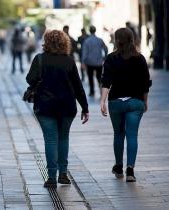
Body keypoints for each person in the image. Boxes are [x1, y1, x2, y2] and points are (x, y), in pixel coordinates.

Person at [25, 30, 89, 188]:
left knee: (50, 139)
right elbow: (78, 85)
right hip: (67, 106)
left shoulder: (39, 59)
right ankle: (63, 174)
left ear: (46, 42)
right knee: (63, 138)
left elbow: (30, 79)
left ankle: (51, 177)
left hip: (45, 106)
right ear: (64, 42)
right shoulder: (69, 60)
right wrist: (85, 107)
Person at [100, 28, 151, 182]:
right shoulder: (140, 58)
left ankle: (118, 166)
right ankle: (130, 170)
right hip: (136, 101)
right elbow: (145, 83)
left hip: (116, 102)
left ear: (117, 40)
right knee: (132, 135)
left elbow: (106, 81)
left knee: (118, 134)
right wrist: (145, 101)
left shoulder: (111, 58)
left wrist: (102, 101)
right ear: (132, 39)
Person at [81, 25, 108, 97]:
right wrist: (104, 57)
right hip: (98, 62)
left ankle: (92, 91)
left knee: (90, 77)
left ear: (89, 31)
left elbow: (84, 52)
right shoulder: (99, 40)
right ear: (95, 30)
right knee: (99, 77)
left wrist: (83, 62)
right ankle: (101, 90)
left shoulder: (87, 41)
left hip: (89, 62)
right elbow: (105, 48)